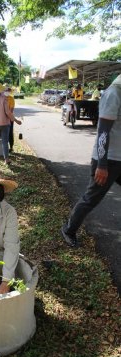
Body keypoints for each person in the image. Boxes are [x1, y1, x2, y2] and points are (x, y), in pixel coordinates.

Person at [61, 74, 121, 247]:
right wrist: (101, 164)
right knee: (91, 199)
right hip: (108, 159)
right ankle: (69, 229)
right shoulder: (114, 93)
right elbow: (103, 132)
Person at [4, 86, 15, 152]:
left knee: (10, 133)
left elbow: (11, 110)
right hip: (3, 118)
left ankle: (11, 147)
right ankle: (4, 148)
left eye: (8, 91)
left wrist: (7, 117)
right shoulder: (2, 98)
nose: (7, 92)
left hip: (9, 118)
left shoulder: (11, 99)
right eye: (6, 90)